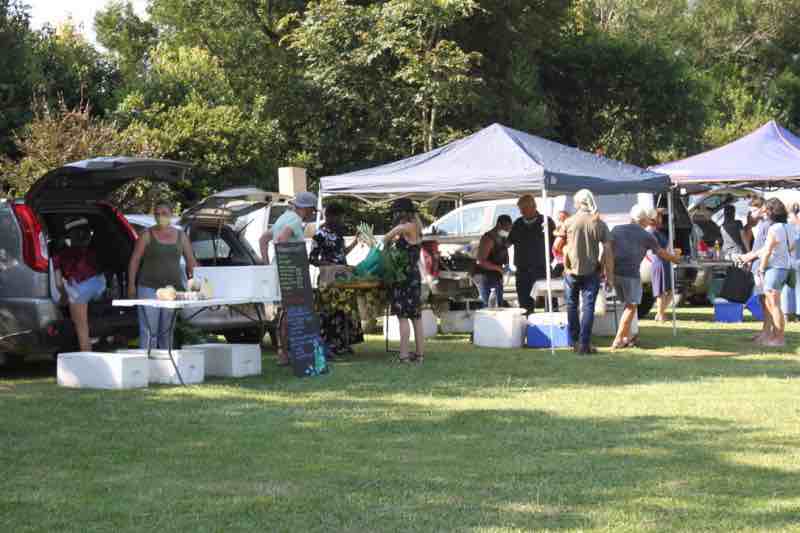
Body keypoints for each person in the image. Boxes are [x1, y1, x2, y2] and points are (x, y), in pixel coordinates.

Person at [610, 205, 681, 349]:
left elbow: (607, 250)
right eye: (648, 219)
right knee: (631, 306)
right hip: (631, 274)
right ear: (643, 220)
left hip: (615, 273)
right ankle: (619, 339)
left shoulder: (616, 229)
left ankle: (626, 335)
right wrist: (675, 258)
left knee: (626, 306)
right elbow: (662, 253)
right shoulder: (646, 235)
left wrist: (605, 271)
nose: (649, 222)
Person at [127, 201, 197, 350]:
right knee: (149, 331)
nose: (160, 217)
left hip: (171, 290)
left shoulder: (181, 236)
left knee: (167, 331)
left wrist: (198, 284)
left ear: (171, 215)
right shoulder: (147, 234)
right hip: (148, 287)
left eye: (164, 214)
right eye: (157, 214)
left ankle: (166, 367)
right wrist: (131, 285)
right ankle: (146, 366)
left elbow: (191, 262)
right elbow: (134, 260)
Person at [259, 191, 318, 365]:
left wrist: (267, 265)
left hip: (280, 270)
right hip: (291, 272)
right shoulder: (295, 220)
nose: (313, 214)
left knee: (285, 312)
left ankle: (284, 352)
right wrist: (291, 260)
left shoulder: (282, 218)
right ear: (306, 209)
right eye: (312, 210)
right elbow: (280, 239)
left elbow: (263, 239)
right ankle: (285, 353)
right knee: (292, 313)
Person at [555, 189, 613, 355]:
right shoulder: (599, 223)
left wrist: (567, 250)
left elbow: (556, 246)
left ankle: (574, 341)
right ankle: (584, 344)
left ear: (579, 203)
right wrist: (608, 273)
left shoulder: (569, 222)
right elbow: (608, 250)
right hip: (592, 272)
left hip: (571, 272)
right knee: (588, 307)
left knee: (572, 306)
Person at [309, 203, 363, 356]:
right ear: (330, 216)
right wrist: (331, 265)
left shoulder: (338, 233)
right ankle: (330, 345)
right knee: (331, 313)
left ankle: (344, 343)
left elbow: (342, 253)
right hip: (329, 279)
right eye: (339, 217)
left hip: (343, 278)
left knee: (345, 312)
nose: (341, 220)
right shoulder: (320, 234)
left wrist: (355, 242)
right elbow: (312, 259)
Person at [742, 198, 795, 346]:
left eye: (766, 210)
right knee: (772, 303)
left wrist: (761, 268)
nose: (764, 212)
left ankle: (779, 339)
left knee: (773, 304)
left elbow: (766, 251)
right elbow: (791, 248)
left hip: (774, 268)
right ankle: (775, 336)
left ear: (771, 211)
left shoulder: (773, 228)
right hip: (786, 268)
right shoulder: (789, 227)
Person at [53, 220, 106, 352]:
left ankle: (87, 357)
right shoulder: (93, 251)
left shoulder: (58, 256)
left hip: (80, 289)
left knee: (82, 328)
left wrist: (64, 297)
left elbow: (59, 283)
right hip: (100, 284)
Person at [383, 198, 424, 363]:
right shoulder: (418, 227)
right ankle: (420, 355)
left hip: (403, 277)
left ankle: (404, 355)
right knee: (416, 317)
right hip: (414, 275)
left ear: (401, 213)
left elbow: (385, 238)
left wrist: (393, 234)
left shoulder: (404, 227)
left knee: (403, 317)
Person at [508, 194, 555, 314]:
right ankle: (526, 329)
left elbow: (556, 244)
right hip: (522, 271)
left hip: (542, 270)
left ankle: (552, 328)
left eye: (524, 209)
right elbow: (508, 242)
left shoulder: (546, 222)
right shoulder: (517, 223)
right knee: (524, 305)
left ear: (534, 206)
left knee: (549, 302)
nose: (522, 212)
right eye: (521, 209)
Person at [742, 197, 773, 343]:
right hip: (757, 264)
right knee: (762, 300)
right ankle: (765, 331)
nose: (752, 213)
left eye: (754, 210)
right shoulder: (761, 224)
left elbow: (766, 247)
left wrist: (750, 257)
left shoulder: (768, 224)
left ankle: (768, 332)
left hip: (763, 265)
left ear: (763, 208)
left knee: (767, 301)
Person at [472, 215, 513, 307]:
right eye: (506, 228)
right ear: (499, 225)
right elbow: (480, 261)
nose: (507, 231)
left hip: (496, 276)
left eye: (509, 229)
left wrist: (506, 264)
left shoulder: (502, 237)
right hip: (484, 277)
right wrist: (498, 268)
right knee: (488, 306)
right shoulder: (488, 238)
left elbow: (504, 251)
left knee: (499, 305)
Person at [646, 208, 674, 322]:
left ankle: (660, 313)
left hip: (666, 262)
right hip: (658, 262)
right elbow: (657, 250)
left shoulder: (659, 231)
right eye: (660, 216)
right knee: (661, 292)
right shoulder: (651, 232)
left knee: (670, 291)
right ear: (654, 218)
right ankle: (660, 315)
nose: (662, 219)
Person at [781, 202, 800, 319]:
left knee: (787, 288)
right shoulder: (793, 224)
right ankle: (795, 314)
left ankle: (787, 314)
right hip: (794, 259)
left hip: (789, 259)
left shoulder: (786, 224)